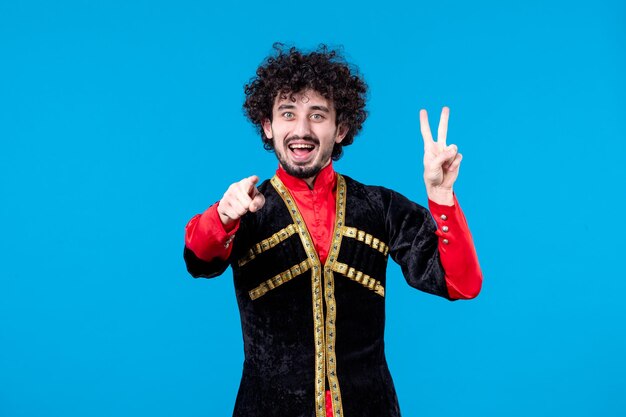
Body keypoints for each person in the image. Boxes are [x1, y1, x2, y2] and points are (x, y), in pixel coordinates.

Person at [183, 44, 482, 417]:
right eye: (288, 114)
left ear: (341, 128)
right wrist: (222, 217)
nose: (302, 130)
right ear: (268, 126)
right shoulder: (243, 208)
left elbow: (461, 283)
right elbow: (198, 260)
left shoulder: (381, 207)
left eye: (318, 115)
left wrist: (442, 197)